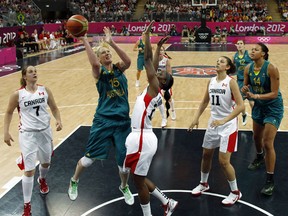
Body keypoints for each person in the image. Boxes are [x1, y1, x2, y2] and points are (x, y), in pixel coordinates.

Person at [67, 27, 134, 206]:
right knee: (88, 160)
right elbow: (95, 65)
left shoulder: (120, 69)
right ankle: (74, 180)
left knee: (124, 164)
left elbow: (128, 61)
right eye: (103, 52)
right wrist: (84, 40)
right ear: (98, 57)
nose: (107, 54)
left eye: (108, 52)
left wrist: (112, 42)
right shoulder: (99, 72)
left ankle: (124, 186)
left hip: (122, 122)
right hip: (103, 120)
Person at [124, 20, 178, 216]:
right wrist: (158, 47)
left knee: (138, 183)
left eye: (161, 74)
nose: (159, 71)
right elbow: (152, 63)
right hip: (141, 136)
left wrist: (146, 36)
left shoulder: (155, 89)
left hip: (141, 138)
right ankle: (167, 202)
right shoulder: (155, 88)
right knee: (137, 177)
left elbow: (147, 61)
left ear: (162, 81)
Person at [4, 65, 63, 216]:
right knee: (29, 170)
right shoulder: (18, 94)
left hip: (44, 132)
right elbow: (9, 112)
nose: (34, 73)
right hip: (27, 135)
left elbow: (54, 108)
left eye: (35, 71)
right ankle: (27, 206)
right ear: (24, 76)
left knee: (46, 163)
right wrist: (5, 132)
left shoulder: (45, 90)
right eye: (30, 71)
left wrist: (58, 120)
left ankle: (42, 179)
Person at [188, 56, 244, 206]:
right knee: (206, 154)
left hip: (228, 125)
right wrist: (196, 118)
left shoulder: (231, 82)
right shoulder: (211, 81)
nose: (218, 62)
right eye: (217, 61)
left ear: (227, 67)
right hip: (213, 123)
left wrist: (224, 120)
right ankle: (203, 183)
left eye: (222, 61)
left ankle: (235, 192)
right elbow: (205, 101)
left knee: (224, 162)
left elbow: (240, 106)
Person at [241, 43, 284, 196]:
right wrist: (245, 90)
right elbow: (245, 89)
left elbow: (273, 93)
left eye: (256, 49)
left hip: (273, 107)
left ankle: (270, 180)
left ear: (264, 54)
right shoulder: (248, 68)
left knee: (267, 142)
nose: (252, 51)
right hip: (259, 106)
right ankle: (259, 157)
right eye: (252, 49)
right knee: (256, 137)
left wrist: (256, 96)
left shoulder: (271, 68)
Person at [232, 39, 254, 126]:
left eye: (241, 43)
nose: (239, 45)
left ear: (244, 45)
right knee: (240, 103)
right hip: (240, 81)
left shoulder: (249, 54)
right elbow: (233, 66)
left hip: (250, 81)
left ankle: (255, 122)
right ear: (236, 46)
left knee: (252, 103)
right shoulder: (235, 56)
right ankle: (244, 115)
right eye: (238, 44)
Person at [157, 45, 176, 128]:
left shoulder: (166, 60)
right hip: (157, 83)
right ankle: (164, 118)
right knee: (159, 100)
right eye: (159, 50)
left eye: (162, 50)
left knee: (169, 99)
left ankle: (172, 110)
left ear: (164, 52)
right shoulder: (154, 60)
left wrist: (166, 84)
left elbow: (169, 74)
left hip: (165, 82)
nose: (160, 51)